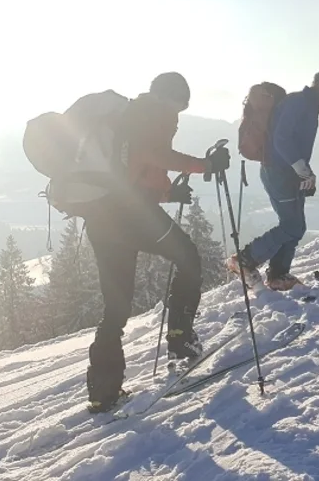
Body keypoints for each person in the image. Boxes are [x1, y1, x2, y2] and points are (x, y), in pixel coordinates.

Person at [83, 72, 230, 413]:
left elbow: (132, 171)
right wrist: (205, 165)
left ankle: (102, 393)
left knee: (115, 308)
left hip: (104, 218)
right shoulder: (152, 115)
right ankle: (181, 341)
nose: (180, 112)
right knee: (189, 259)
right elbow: (156, 155)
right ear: (172, 98)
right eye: (181, 104)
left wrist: (167, 192)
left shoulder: (130, 117)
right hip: (131, 218)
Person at [230, 70, 319, 290]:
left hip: (287, 172)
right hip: (279, 172)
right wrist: (301, 168)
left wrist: (305, 172)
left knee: (296, 226)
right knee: (292, 225)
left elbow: (294, 142)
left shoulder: (306, 104)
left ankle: (278, 274)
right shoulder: (299, 102)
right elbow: (281, 139)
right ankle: (244, 259)